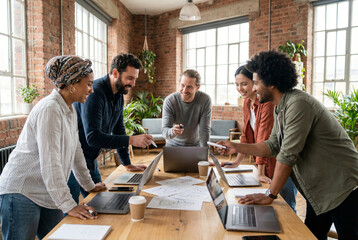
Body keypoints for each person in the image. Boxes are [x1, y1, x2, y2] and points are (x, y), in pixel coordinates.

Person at [217, 50, 358, 240]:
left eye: (257, 82)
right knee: (312, 235)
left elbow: (287, 154)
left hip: (342, 187)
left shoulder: (299, 104)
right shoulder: (281, 106)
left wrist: (270, 195)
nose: (254, 88)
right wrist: (237, 147)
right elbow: (272, 145)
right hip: (319, 190)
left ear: (272, 83)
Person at [0, 56, 107, 240]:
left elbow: (76, 151)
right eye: (88, 84)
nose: (92, 89)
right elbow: (51, 164)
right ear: (73, 83)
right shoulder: (49, 109)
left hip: (47, 192)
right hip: (22, 191)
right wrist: (69, 204)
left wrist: (89, 186)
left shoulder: (70, 109)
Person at [68, 53, 154, 204]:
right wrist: (132, 140)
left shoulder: (119, 94)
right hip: (72, 163)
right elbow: (93, 137)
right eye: (130, 78)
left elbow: (119, 129)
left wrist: (126, 163)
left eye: (135, 79)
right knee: (71, 210)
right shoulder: (95, 92)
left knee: (100, 202)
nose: (133, 84)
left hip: (90, 159)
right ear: (115, 73)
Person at [223, 65, 297, 212]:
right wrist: (236, 162)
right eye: (237, 84)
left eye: (244, 84)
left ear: (256, 83)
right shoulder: (247, 103)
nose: (240, 88)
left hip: (280, 162)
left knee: (286, 207)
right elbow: (246, 136)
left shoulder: (267, 103)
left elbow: (264, 137)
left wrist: (260, 172)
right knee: (270, 207)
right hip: (265, 159)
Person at [162, 69, 212, 147]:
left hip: (195, 145)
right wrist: (173, 131)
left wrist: (205, 153)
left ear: (197, 88)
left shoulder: (205, 100)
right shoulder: (170, 101)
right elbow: (164, 132)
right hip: (172, 145)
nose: (185, 90)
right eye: (182, 85)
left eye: (189, 87)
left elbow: (204, 130)